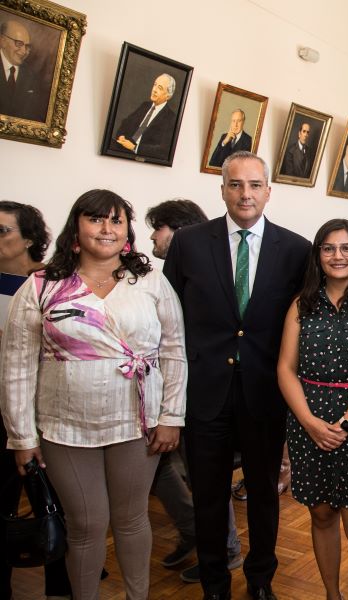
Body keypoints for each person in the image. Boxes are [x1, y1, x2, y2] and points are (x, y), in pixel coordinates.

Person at [0, 189, 187, 600]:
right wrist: (22, 437)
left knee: (132, 518)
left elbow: (174, 351)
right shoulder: (41, 287)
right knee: (85, 524)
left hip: (137, 424)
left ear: (127, 231)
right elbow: (16, 367)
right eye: (96, 219)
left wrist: (172, 416)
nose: (107, 228)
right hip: (64, 427)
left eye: (117, 220)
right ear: (77, 228)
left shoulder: (150, 281)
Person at [164, 151, 311, 600]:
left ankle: (261, 579)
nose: (245, 194)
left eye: (254, 185)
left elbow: (301, 325)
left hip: (264, 396)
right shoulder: (189, 242)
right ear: (222, 189)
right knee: (209, 496)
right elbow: (168, 318)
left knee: (264, 495)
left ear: (269, 190)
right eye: (235, 185)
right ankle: (214, 583)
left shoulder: (297, 249)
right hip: (204, 395)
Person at [278, 218, 348, 600]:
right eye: (328, 248)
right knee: (322, 515)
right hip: (309, 423)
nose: (337, 256)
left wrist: (344, 424)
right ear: (317, 255)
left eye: (346, 248)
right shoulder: (301, 303)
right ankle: (332, 595)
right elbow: (285, 369)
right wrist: (310, 423)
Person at [145, 198, 245, 582]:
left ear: (181, 232)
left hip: (198, 391)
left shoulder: (205, 271)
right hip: (163, 390)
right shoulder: (157, 277)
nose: (154, 237)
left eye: (160, 228)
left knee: (208, 475)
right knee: (164, 471)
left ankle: (224, 548)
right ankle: (197, 533)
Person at [0, 201, 72, 600]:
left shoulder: (49, 285)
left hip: (43, 412)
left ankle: (61, 589)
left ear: (29, 239)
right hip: (2, 409)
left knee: (53, 507)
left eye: (2, 230)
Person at [112, 73, 177, 161]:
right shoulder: (145, 105)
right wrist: (121, 136)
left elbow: (163, 150)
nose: (154, 90)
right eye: (155, 85)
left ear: (168, 96)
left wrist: (134, 147)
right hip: (123, 148)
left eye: (160, 88)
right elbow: (125, 123)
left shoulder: (171, 118)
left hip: (142, 158)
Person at [0, 20, 50, 121]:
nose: (24, 51)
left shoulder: (34, 79)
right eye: (19, 43)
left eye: (27, 46)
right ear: (2, 41)